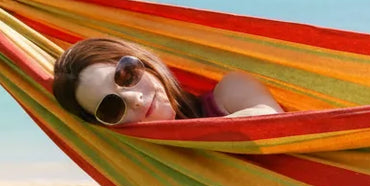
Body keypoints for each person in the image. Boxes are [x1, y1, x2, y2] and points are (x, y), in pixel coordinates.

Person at [52, 37, 282, 126]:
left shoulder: (232, 89)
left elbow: (270, 120)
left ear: (146, 64)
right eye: (111, 108)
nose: (134, 99)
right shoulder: (155, 165)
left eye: (126, 76)